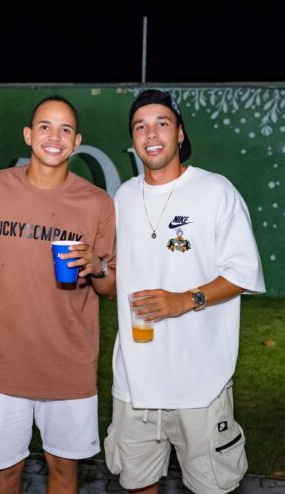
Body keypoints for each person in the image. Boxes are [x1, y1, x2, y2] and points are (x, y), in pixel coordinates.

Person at [105, 89, 265, 494]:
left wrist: (185, 300)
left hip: (200, 384)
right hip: (134, 382)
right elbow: (121, 271)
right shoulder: (123, 197)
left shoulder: (215, 191)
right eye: (140, 126)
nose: (151, 132)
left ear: (179, 134)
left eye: (162, 122)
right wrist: (98, 267)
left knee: (211, 487)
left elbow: (244, 272)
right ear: (133, 139)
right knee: (138, 484)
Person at [0, 95, 116, 493]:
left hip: (69, 366)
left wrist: (97, 265)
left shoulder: (97, 202)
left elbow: (110, 287)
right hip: (2, 364)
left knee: (64, 470)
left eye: (65, 129)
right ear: (27, 135)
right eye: (45, 127)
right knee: (4, 473)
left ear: (77, 141)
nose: (55, 137)